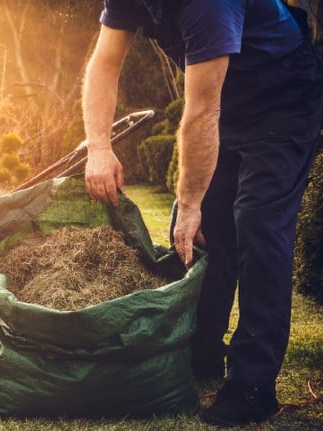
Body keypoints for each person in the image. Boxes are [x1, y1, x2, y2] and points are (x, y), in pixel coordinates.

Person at [81, 0, 323, 427]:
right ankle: (201, 353)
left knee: (258, 223)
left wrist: (191, 204)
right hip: (225, 96)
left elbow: (201, 111)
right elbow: (103, 64)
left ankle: (252, 385)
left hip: (283, 94)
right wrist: (99, 147)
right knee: (202, 229)